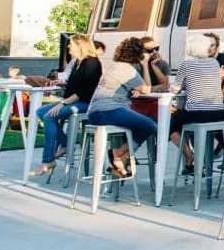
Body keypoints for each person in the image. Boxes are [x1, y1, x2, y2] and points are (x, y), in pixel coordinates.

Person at [29, 34, 102, 177]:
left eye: (71, 44)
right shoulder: (77, 62)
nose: (68, 46)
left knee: (49, 116)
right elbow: (77, 84)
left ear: (80, 46)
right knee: (41, 111)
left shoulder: (92, 63)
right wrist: (63, 82)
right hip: (73, 100)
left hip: (85, 103)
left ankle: (48, 160)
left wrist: (62, 103)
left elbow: (84, 91)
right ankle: (65, 144)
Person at [87, 37, 158, 178]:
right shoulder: (129, 71)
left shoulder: (114, 66)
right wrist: (145, 65)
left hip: (95, 112)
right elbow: (147, 88)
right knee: (150, 125)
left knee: (137, 125)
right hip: (109, 111)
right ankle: (118, 153)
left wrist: (136, 89)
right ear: (139, 54)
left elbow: (132, 87)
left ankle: (121, 160)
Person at [169, 33, 224, 173]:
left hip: (196, 114)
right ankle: (202, 161)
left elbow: (175, 90)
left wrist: (181, 85)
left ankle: (189, 154)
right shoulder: (214, 63)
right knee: (190, 121)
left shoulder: (186, 64)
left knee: (170, 124)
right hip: (218, 113)